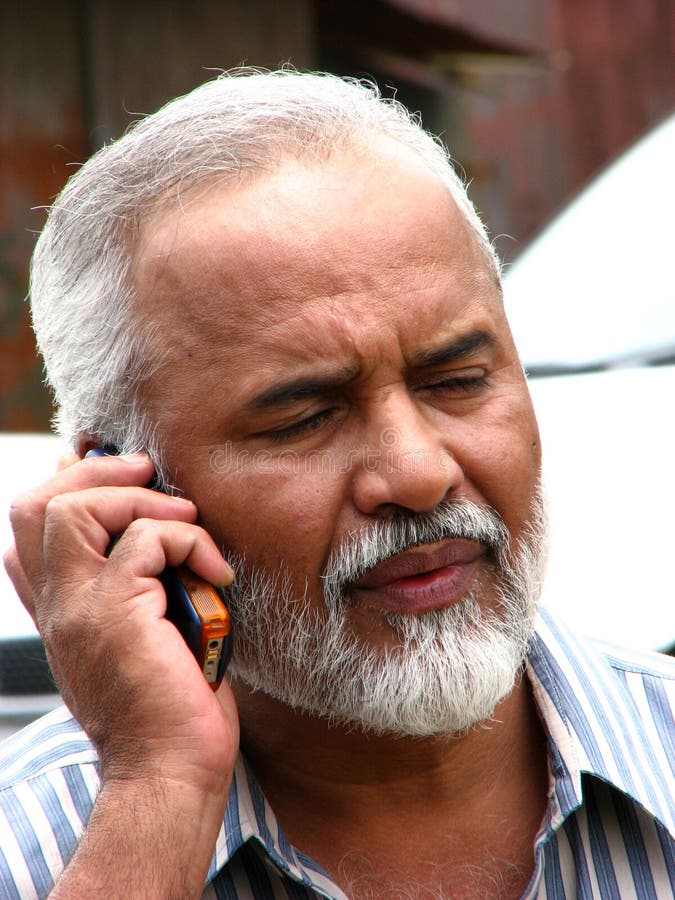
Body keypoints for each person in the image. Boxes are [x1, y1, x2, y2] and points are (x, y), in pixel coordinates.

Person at [1, 69, 673, 899]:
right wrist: (160, 793)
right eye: (303, 419)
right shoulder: (29, 851)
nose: (420, 474)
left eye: (457, 379)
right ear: (116, 485)